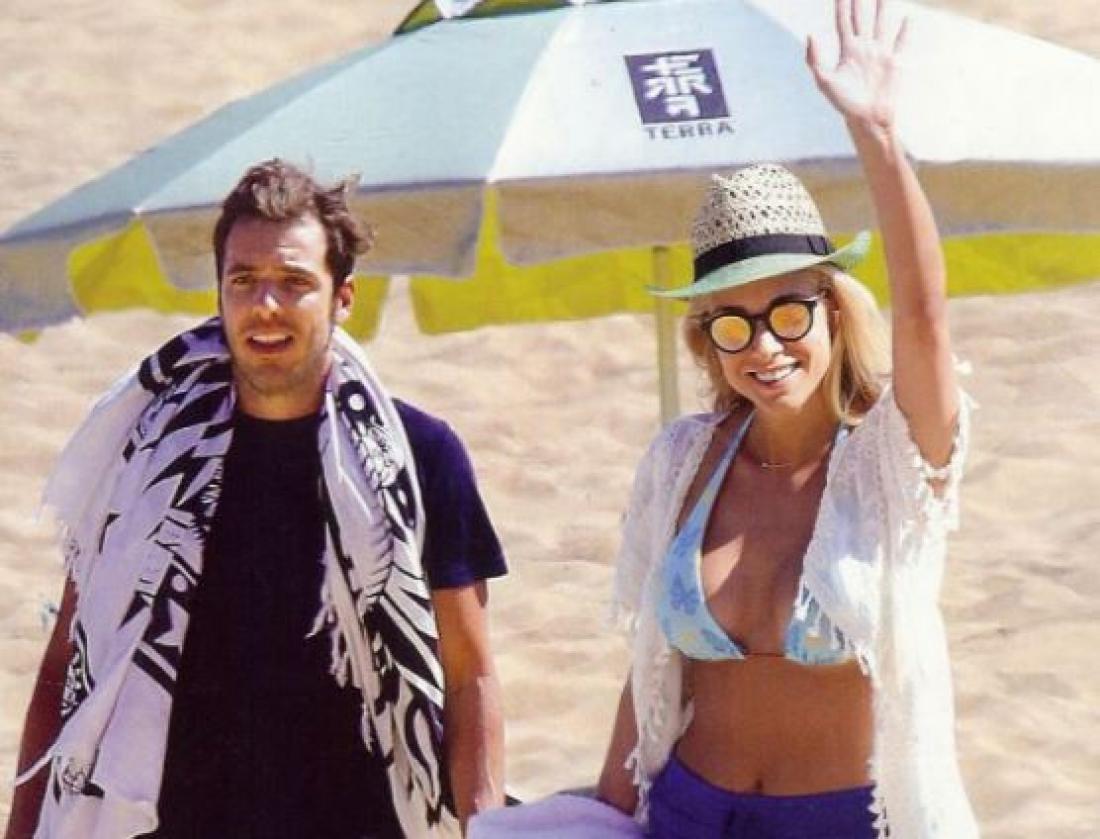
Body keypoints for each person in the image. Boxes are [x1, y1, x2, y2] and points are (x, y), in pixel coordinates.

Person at [5, 160, 507, 839]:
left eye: (294, 282)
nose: (266, 305)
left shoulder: (419, 457)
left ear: (343, 297)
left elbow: (470, 675)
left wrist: (485, 829)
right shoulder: (143, 458)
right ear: (220, 294)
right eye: (243, 280)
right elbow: (68, 660)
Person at [595, 1, 979, 837]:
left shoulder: (892, 461)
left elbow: (926, 319)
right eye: (732, 323)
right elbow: (651, 663)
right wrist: (604, 811)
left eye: (789, 312)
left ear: (835, 310)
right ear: (706, 339)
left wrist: (878, 135)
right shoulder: (683, 460)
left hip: (844, 819)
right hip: (690, 809)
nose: (764, 346)